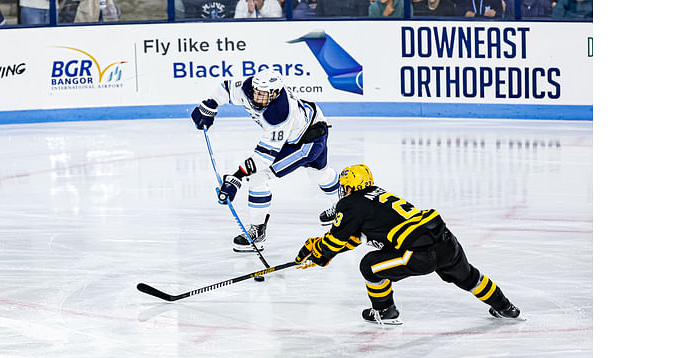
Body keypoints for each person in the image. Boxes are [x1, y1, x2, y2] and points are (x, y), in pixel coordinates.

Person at [294, 164, 521, 325]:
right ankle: (506, 307)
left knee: (369, 266)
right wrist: (323, 254)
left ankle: (385, 311)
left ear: (350, 187)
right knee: (469, 277)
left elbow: (336, 240)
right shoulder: (378, 196)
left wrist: (319, 252)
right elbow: (357, 237)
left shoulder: (351, 204)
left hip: (419, 254)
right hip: (445, 241)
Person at [190, 69, 341, 252]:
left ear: (275, 93)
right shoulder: (248, 88)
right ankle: (344, 205)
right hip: (312, 121)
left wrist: (237, 177)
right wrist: (209, 106)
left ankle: (258, 233)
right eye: (256, 92)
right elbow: (226, 88)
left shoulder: (280, 112)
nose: (257, 97)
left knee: (259, 177)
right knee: (320, 174)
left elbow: (264, 157)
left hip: (307, 141)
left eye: (263, 95)